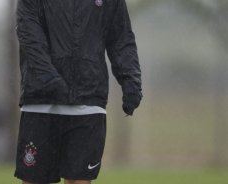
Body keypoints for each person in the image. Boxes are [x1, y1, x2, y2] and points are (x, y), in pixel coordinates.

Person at [14, 0, 143, 183]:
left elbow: (121, 38)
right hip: (41, 102)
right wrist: (49, 78)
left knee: (80, 181)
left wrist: (131, 80)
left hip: (88, 101)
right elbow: (28, 31)